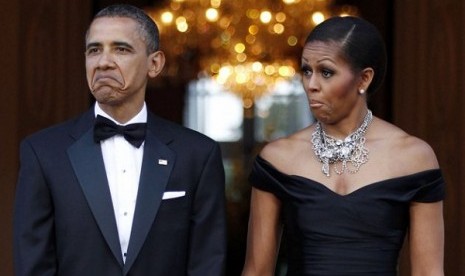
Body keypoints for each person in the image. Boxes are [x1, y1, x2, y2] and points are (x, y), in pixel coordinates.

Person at [13, 4, 226, 276]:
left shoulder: (197, 154)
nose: (103, 61)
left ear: (155, 63)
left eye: (121, 49)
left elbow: (207, 263)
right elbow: (33, 265)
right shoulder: (42, 153)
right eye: (94, 50)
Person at [241, 16, 444, 276]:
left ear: (364, 80)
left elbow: (429, 272)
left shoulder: (413, 157)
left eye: (326, 72)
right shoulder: (278, 158)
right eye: (306, 71)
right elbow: (257, 271)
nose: (311, 85)